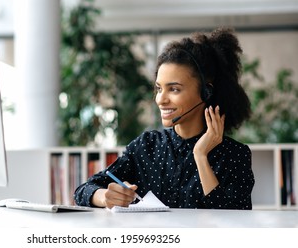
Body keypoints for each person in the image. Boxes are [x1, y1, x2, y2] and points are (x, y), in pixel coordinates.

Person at [74, 27, 255, 209]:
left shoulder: (235, 156)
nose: (161, 99)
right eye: (159, 88)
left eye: (174, 89)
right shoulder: (146, 146)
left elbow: (233, 219)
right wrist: (105, 197)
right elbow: (84, 190)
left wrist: (200, 156)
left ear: (206, 92)